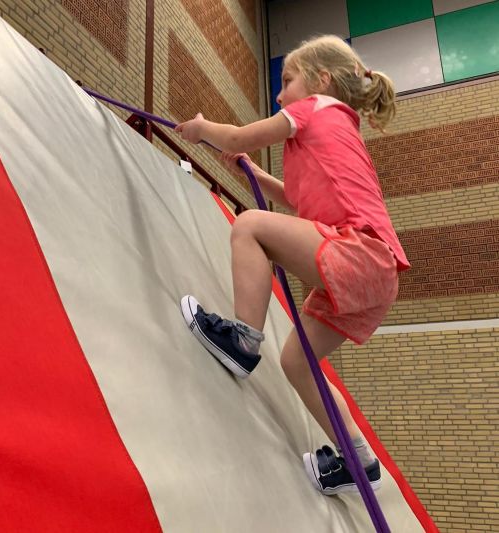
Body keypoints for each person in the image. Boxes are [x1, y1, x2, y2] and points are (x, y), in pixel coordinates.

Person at [175, 35, 410, 495]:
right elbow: (301, 199)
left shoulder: (316, 107)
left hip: (357, 252)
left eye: (288, 80)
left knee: (249, 227)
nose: (280, 94)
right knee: (297, 362)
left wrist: (203, 128)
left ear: (321, 80)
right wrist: (258, 175)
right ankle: (357, 460)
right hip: (377, 276)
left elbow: (242, 134)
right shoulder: (339, 130)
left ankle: (242, 339)